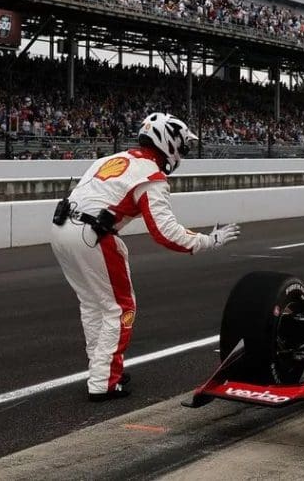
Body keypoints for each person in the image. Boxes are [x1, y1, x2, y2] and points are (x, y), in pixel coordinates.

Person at [50, 112, 241, 401]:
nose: (183, 153)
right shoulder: (152, 176)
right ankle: (105, 381)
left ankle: (101, 370)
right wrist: (209, 240)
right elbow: (165, 232)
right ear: (170, 142)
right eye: (183, 146)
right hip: (94, 237)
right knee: (120, 307)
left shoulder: (113, 159)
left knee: (93, 304)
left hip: (60, 229)